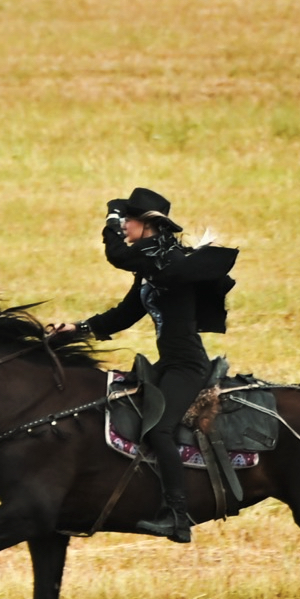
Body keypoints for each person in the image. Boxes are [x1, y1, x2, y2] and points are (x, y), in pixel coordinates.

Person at [57, 186, 242, 532]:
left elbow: (117, 256)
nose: (123, 225)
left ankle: (178, 516)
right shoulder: (152, 265)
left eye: (128, 219)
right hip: (168, 363)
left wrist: (109, 224)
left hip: (187, 365)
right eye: (122, 219)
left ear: (148, 224)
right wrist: (77, 328)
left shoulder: (167, 261)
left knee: (160, 430)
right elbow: (125, 314)